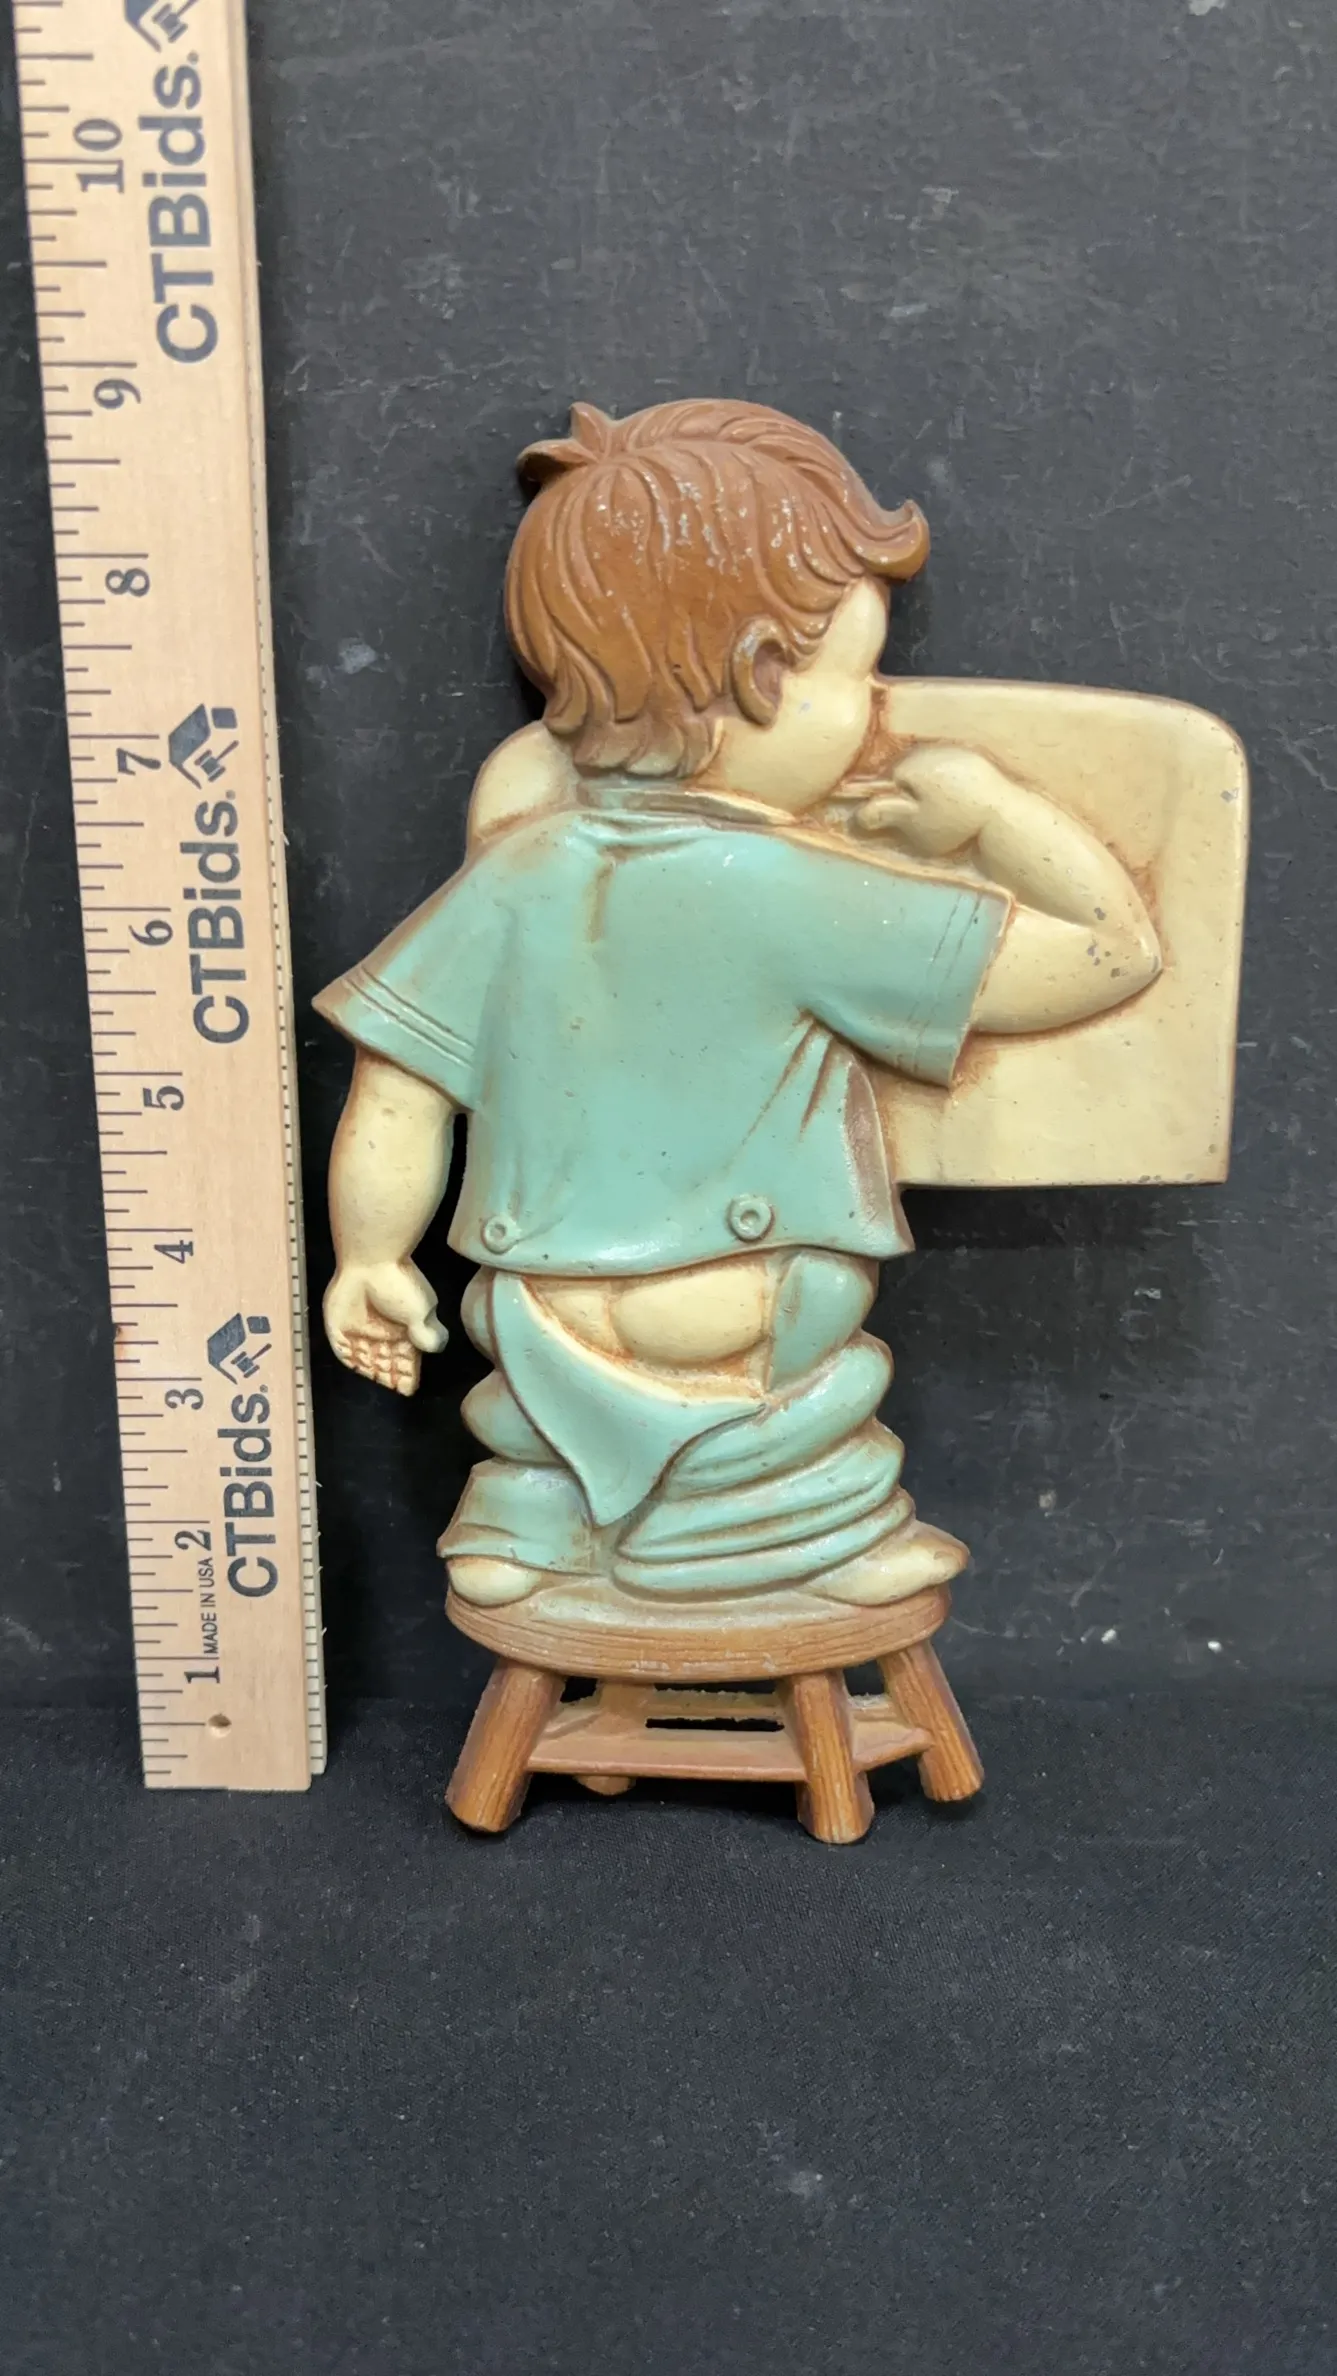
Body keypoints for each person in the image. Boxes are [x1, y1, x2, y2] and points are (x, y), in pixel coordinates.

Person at [316, 399, 1161, 1607]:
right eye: (858, 678)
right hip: (741, 1294)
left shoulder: (511, 873)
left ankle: (528, 1515)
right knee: (813, 1405)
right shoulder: (799, 893)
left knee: (543, 1418)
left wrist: (369, 1257)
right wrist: (987, 813)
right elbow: (1110, 954)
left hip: (530, 1307)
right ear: (765, 675)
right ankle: (790, 1542)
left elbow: (398, 1092)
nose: (875, 713)